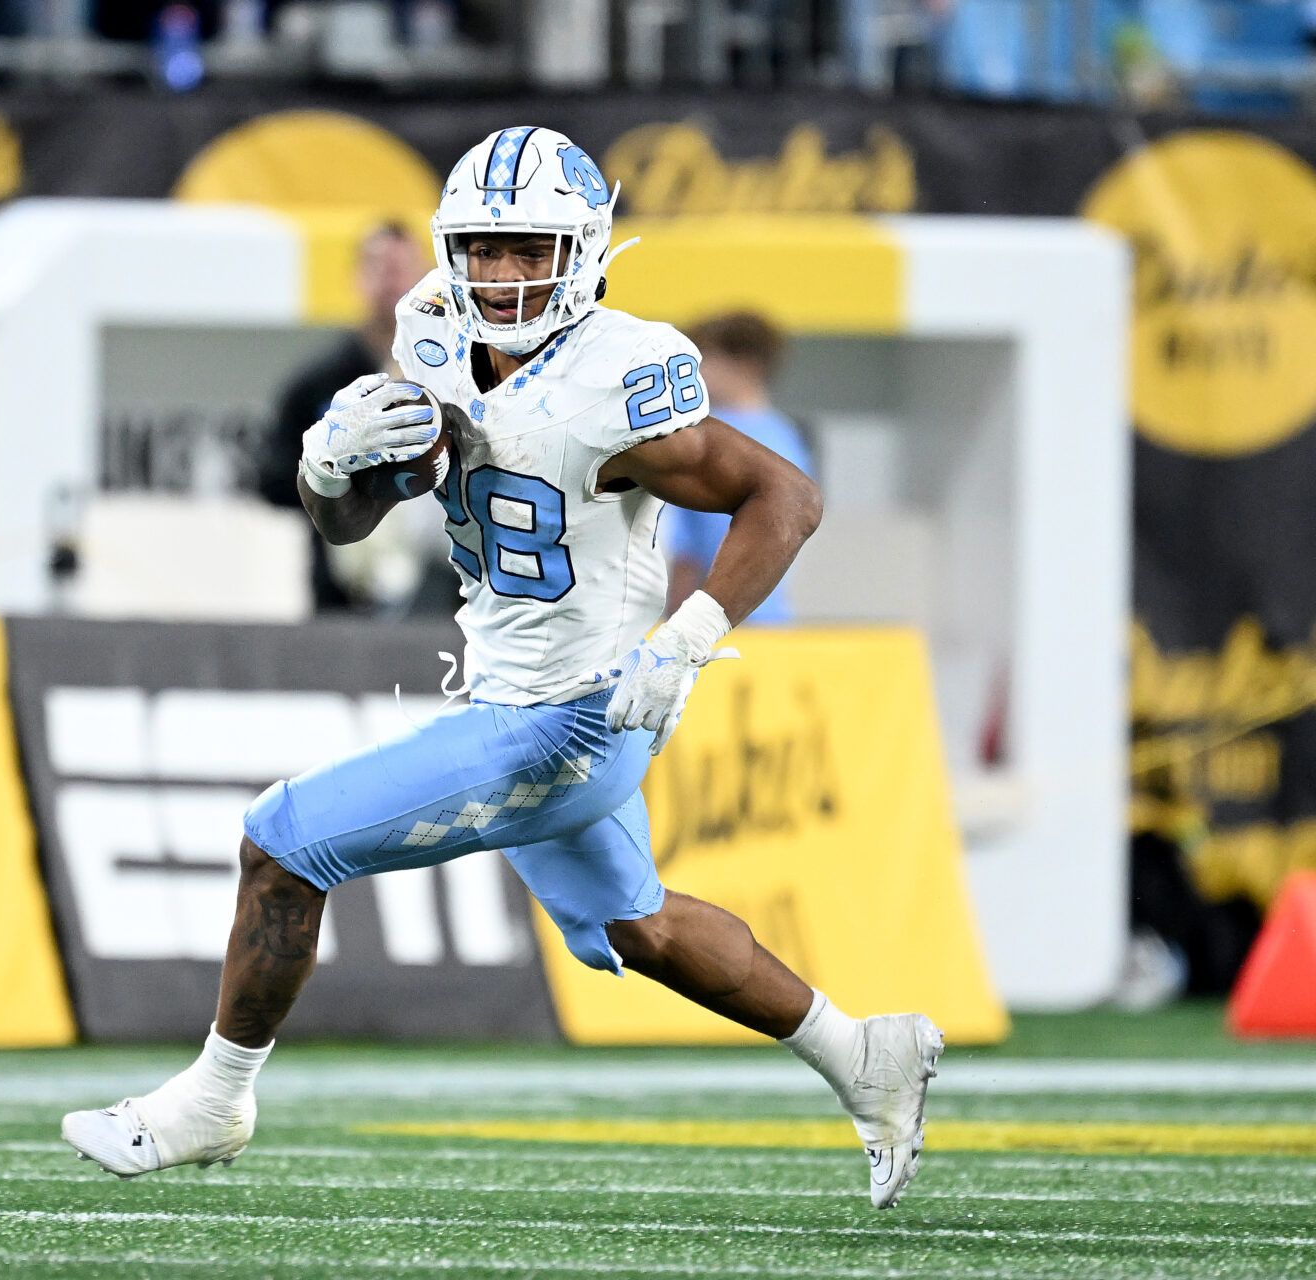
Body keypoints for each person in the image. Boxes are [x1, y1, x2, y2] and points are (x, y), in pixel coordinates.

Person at [61, 127, 944, 1207]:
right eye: (485, 247)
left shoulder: (617, 377)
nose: (505, 273)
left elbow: (786, 497)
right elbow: (354, 517)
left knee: (281, 844)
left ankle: (216, 1097)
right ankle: (865, 1057)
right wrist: (329, 467)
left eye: (531, 249)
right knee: (640, 927)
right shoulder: (432, 328)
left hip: (578, 715)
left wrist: (692, 630)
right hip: (510, 689)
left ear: (582, 250)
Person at [259, 221, 431, 612]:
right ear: (357, 277)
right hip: (342, 591)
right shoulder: (318, 382)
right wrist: (334, 476)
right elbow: (271, 478)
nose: (392, 282)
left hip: (442, 589)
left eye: (402, 268)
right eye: (379, 268)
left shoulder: (452, 376)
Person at [662, 312, 815, 622]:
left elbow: (691, 548)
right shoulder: (788, 436)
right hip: (771, 617)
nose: (695, 372)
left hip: (709, 621)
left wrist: (673, 624)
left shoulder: (705, 438)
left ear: (744, 365)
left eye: (704, 360)